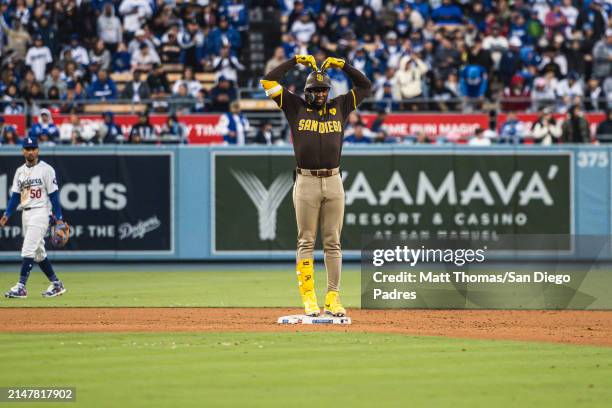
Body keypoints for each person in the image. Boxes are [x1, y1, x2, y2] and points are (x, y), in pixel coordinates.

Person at [260, 54, 372, 317]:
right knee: (306, 241)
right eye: (315, 90)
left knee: (333, 242)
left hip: (333, 180)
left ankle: (333, 297)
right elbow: (268, 80)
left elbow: (365, 85)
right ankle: (309, 298)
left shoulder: (341, 106)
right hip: (307, 180)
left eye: (323, 90)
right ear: (306, 91)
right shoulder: (294, 106)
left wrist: (343, 65)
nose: (320, 94)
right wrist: (295, 61)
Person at [1, 137, 67, 298]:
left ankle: (21, 287)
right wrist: (6, 215)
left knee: (28, 249)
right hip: (26, 213)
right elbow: (15, 197)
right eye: (27, 149)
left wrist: (59, 218)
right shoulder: (20, 172)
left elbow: (54, 196)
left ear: (38, 150)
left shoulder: (46, 169)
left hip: (41, 212)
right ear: (23, 151)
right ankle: (57, 284)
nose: (30, 151)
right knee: (38, 253)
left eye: (33, 148)